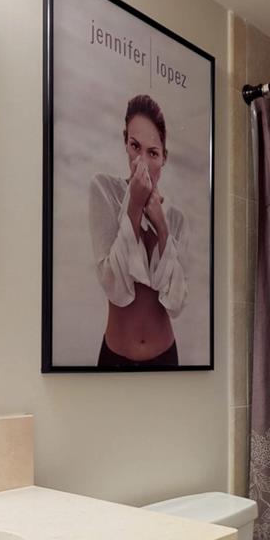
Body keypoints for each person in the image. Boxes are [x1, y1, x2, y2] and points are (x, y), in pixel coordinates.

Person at [88, 94, 188, 368]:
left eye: (152, 153)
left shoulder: (176, 218)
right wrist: (133, 205)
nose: (141, 161)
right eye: (135, 146)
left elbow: (176, 304)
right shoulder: (104, 190)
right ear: (125, 143)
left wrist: (162, 226)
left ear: (164, 158)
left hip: (166, 355)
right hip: (114, 357)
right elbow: (113, 286)